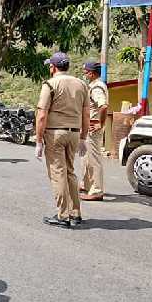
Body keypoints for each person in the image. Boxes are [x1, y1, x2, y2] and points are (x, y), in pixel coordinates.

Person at [34, 52, 89, 228]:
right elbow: (86, 114)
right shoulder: (81, 84)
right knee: (70, 172)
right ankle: (76, 213)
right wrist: (83, 137)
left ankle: (63, 215)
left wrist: (38, 141)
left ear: (53, 67)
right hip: (74, 133)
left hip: (55, 133)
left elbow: (41, 115)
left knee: (58, 173)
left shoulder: (50, 84)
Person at [79, 61, 109, 201]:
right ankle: (86, 184)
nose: (84, 74)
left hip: (93, 127)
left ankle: (97, 190)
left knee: (93, 159)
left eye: (85, 72)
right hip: (88, 126)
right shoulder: (94, 85)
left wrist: (100, 124)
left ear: (91, 73)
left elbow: (103, 106)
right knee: (86, 157)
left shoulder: (96, 87)